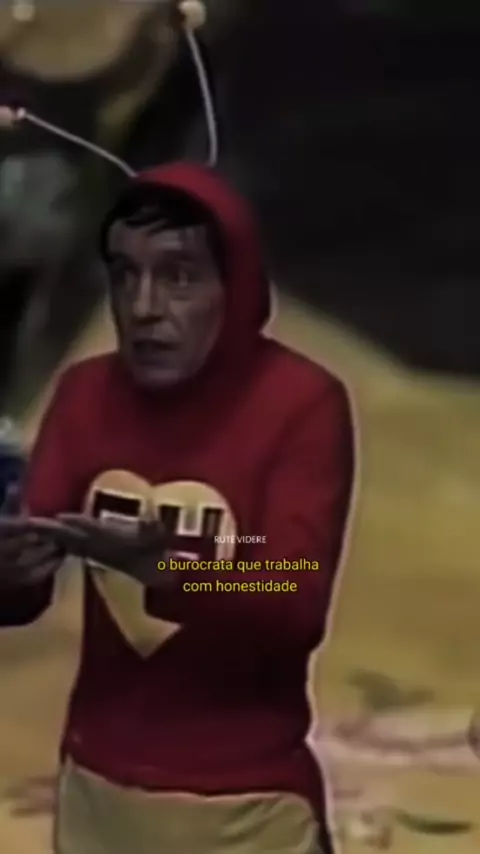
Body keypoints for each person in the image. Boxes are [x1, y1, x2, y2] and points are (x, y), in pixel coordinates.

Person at [0, 161, 355, 854]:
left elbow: (294, 586)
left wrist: (171, 571)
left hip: (248, 810)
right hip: (98, 795)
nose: (144, 306)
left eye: (179, 277)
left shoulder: (303, 404)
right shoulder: (83, 394)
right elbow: (23, 586)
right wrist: (9, 572)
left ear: (236, 285)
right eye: (124, 275)